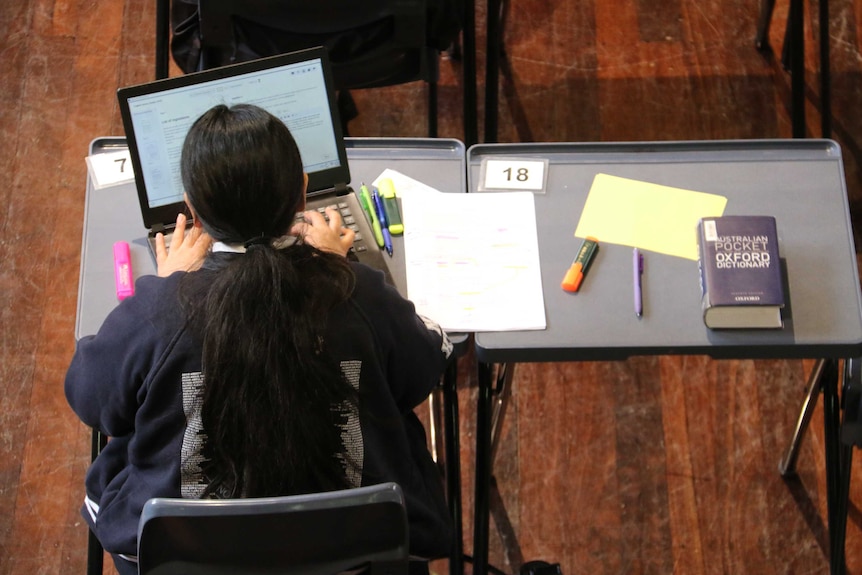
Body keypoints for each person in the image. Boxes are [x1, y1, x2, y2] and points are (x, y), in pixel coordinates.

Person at [65, 103, 453, 574]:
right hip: (359, 557)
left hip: (185, 556)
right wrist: (344, 268)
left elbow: (91, 398)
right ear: (304, 191)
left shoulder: (160, 311)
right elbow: (422, 371)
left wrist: (165, 285)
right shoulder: (357, 293)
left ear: (193, 208)